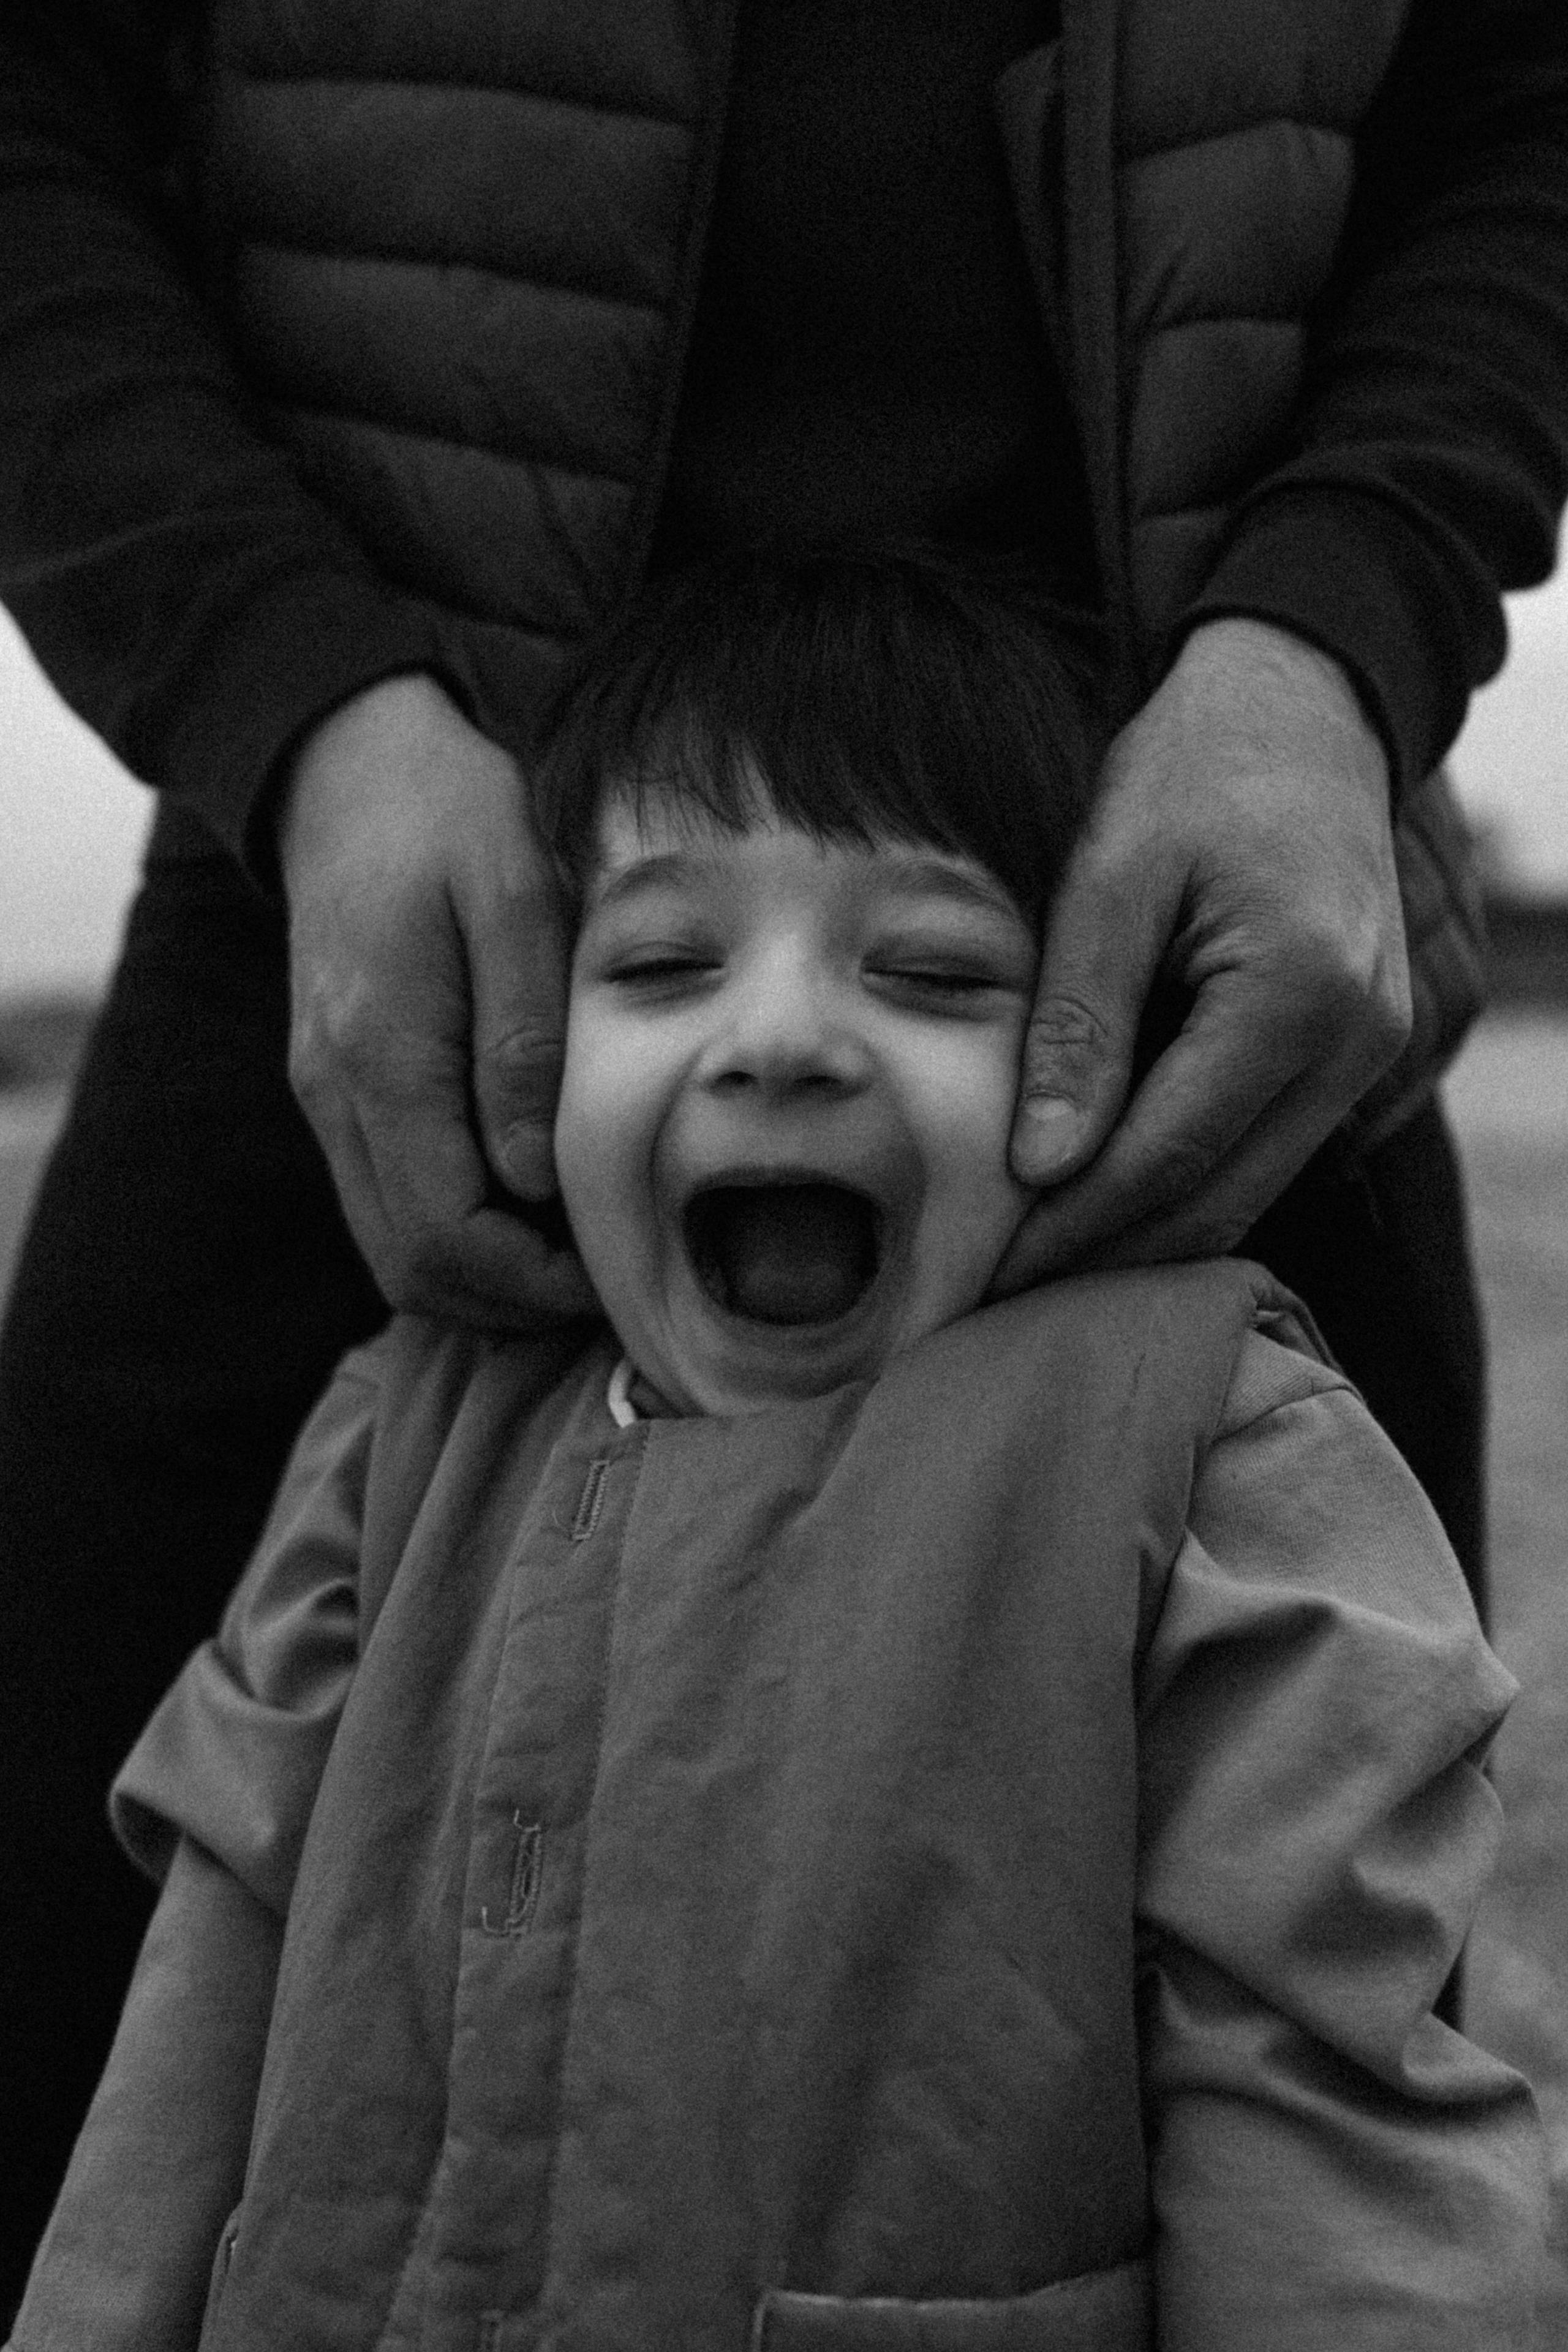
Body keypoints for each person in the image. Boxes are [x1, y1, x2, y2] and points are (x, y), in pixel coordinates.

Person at [4, 0, 1568, 2307]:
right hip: (361, 850)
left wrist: (1345, 626)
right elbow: (148, 2105)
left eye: (923, 982)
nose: (782, 1043)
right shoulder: (378, 1465)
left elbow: (1329, 2156)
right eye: (664, 973)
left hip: (1192, 830)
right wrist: (287, 697)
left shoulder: (1237, 1485)